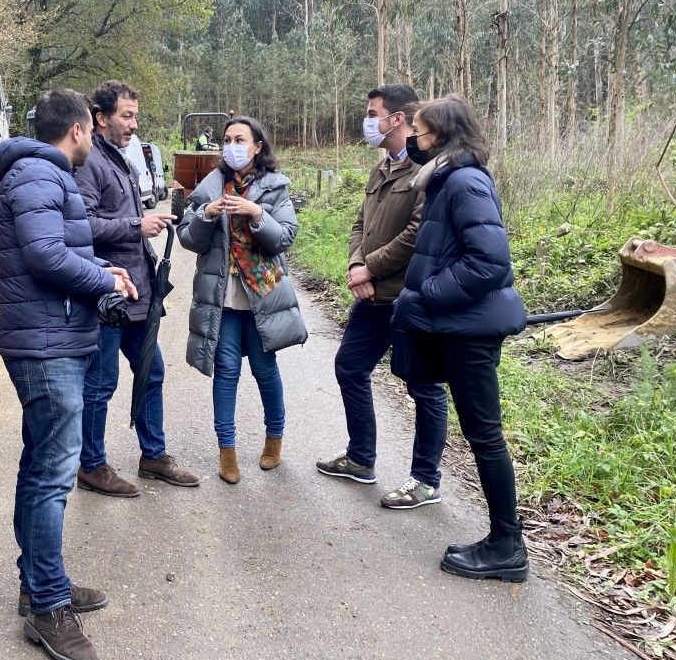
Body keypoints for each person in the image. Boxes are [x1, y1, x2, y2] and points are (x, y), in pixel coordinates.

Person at [0, 88, 138, 660]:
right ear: (78, 130)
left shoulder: (34, 175)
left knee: (39, 464)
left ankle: (39, 581)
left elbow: (49, 252)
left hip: (51, 337)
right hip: (46, 346)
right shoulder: (40, 176)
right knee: (53, 475)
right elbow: (47, 257)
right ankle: (48, 607)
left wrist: (100, 267)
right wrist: (104, 283)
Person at [390, 95, 528, 581]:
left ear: (443, 138)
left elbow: (490, 262)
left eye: (421, 133)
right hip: (459, 325)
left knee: (485, 435)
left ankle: (507, 545)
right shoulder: (444, 181)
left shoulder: (466, 182)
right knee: (481, 433)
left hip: (471, 330)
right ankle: (503, 539)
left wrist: (430, 292)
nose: (414, 141)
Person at [316, 85, 451, 510]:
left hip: (408, 298)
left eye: (373, 112)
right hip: (371, 297)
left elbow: (418, 232)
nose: (368, 119)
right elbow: (361, 222)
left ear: (397, 119)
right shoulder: (382, 169)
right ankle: (361, 459)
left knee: (424, 387)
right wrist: (358, 266)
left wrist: (369, 267)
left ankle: (426, 480)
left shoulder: (425, 169)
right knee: (350, 368)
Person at [75, 80, 200, 496]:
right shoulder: (90, 161)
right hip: (110, 293)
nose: (133, 124)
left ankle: (153, 456)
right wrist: (136, 226)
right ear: (101, 117)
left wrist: (152, 222)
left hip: (138, 294)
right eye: (126, 116)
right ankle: (91, 465)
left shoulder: (121, 159)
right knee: (101, 382)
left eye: (135, 117)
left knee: (151, 372)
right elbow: (82, 225)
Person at [176, 116, 308, 484]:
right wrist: (205, 214)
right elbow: (188, 237)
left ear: (257, 147)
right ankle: (227, 452)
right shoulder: (209, 186)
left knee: (266, 372)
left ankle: (274, 440)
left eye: (240, 139)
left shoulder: (275, 187)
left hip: (262, 297)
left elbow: (283, 238)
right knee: (226, 374)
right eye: (227, 139)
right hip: (223, 299)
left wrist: (257, 213)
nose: (232, 145)